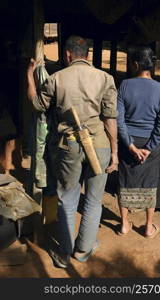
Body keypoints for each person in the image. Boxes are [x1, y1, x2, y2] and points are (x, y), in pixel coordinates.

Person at [27, 35, 118, 268]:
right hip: (100, 144)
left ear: (67, 55)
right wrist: (115, 152)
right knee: (94, 199)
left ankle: (64, 254)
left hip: (68, 145)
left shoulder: (57, 79)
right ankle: (83, 249)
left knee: (67, 196)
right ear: (87, 55)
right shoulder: (105, 78)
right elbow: (110, 120)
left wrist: (29, 75)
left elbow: (37, 105)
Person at [117, 46, 160, 238]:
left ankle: (124, 224)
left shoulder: (124, 86)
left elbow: (119, 121)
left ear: (136, 64)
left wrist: (130, 145)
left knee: (124, 181)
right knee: (149, 182)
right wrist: (148, 148)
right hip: (151, 144)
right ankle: (148, 227)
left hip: (127, 142)